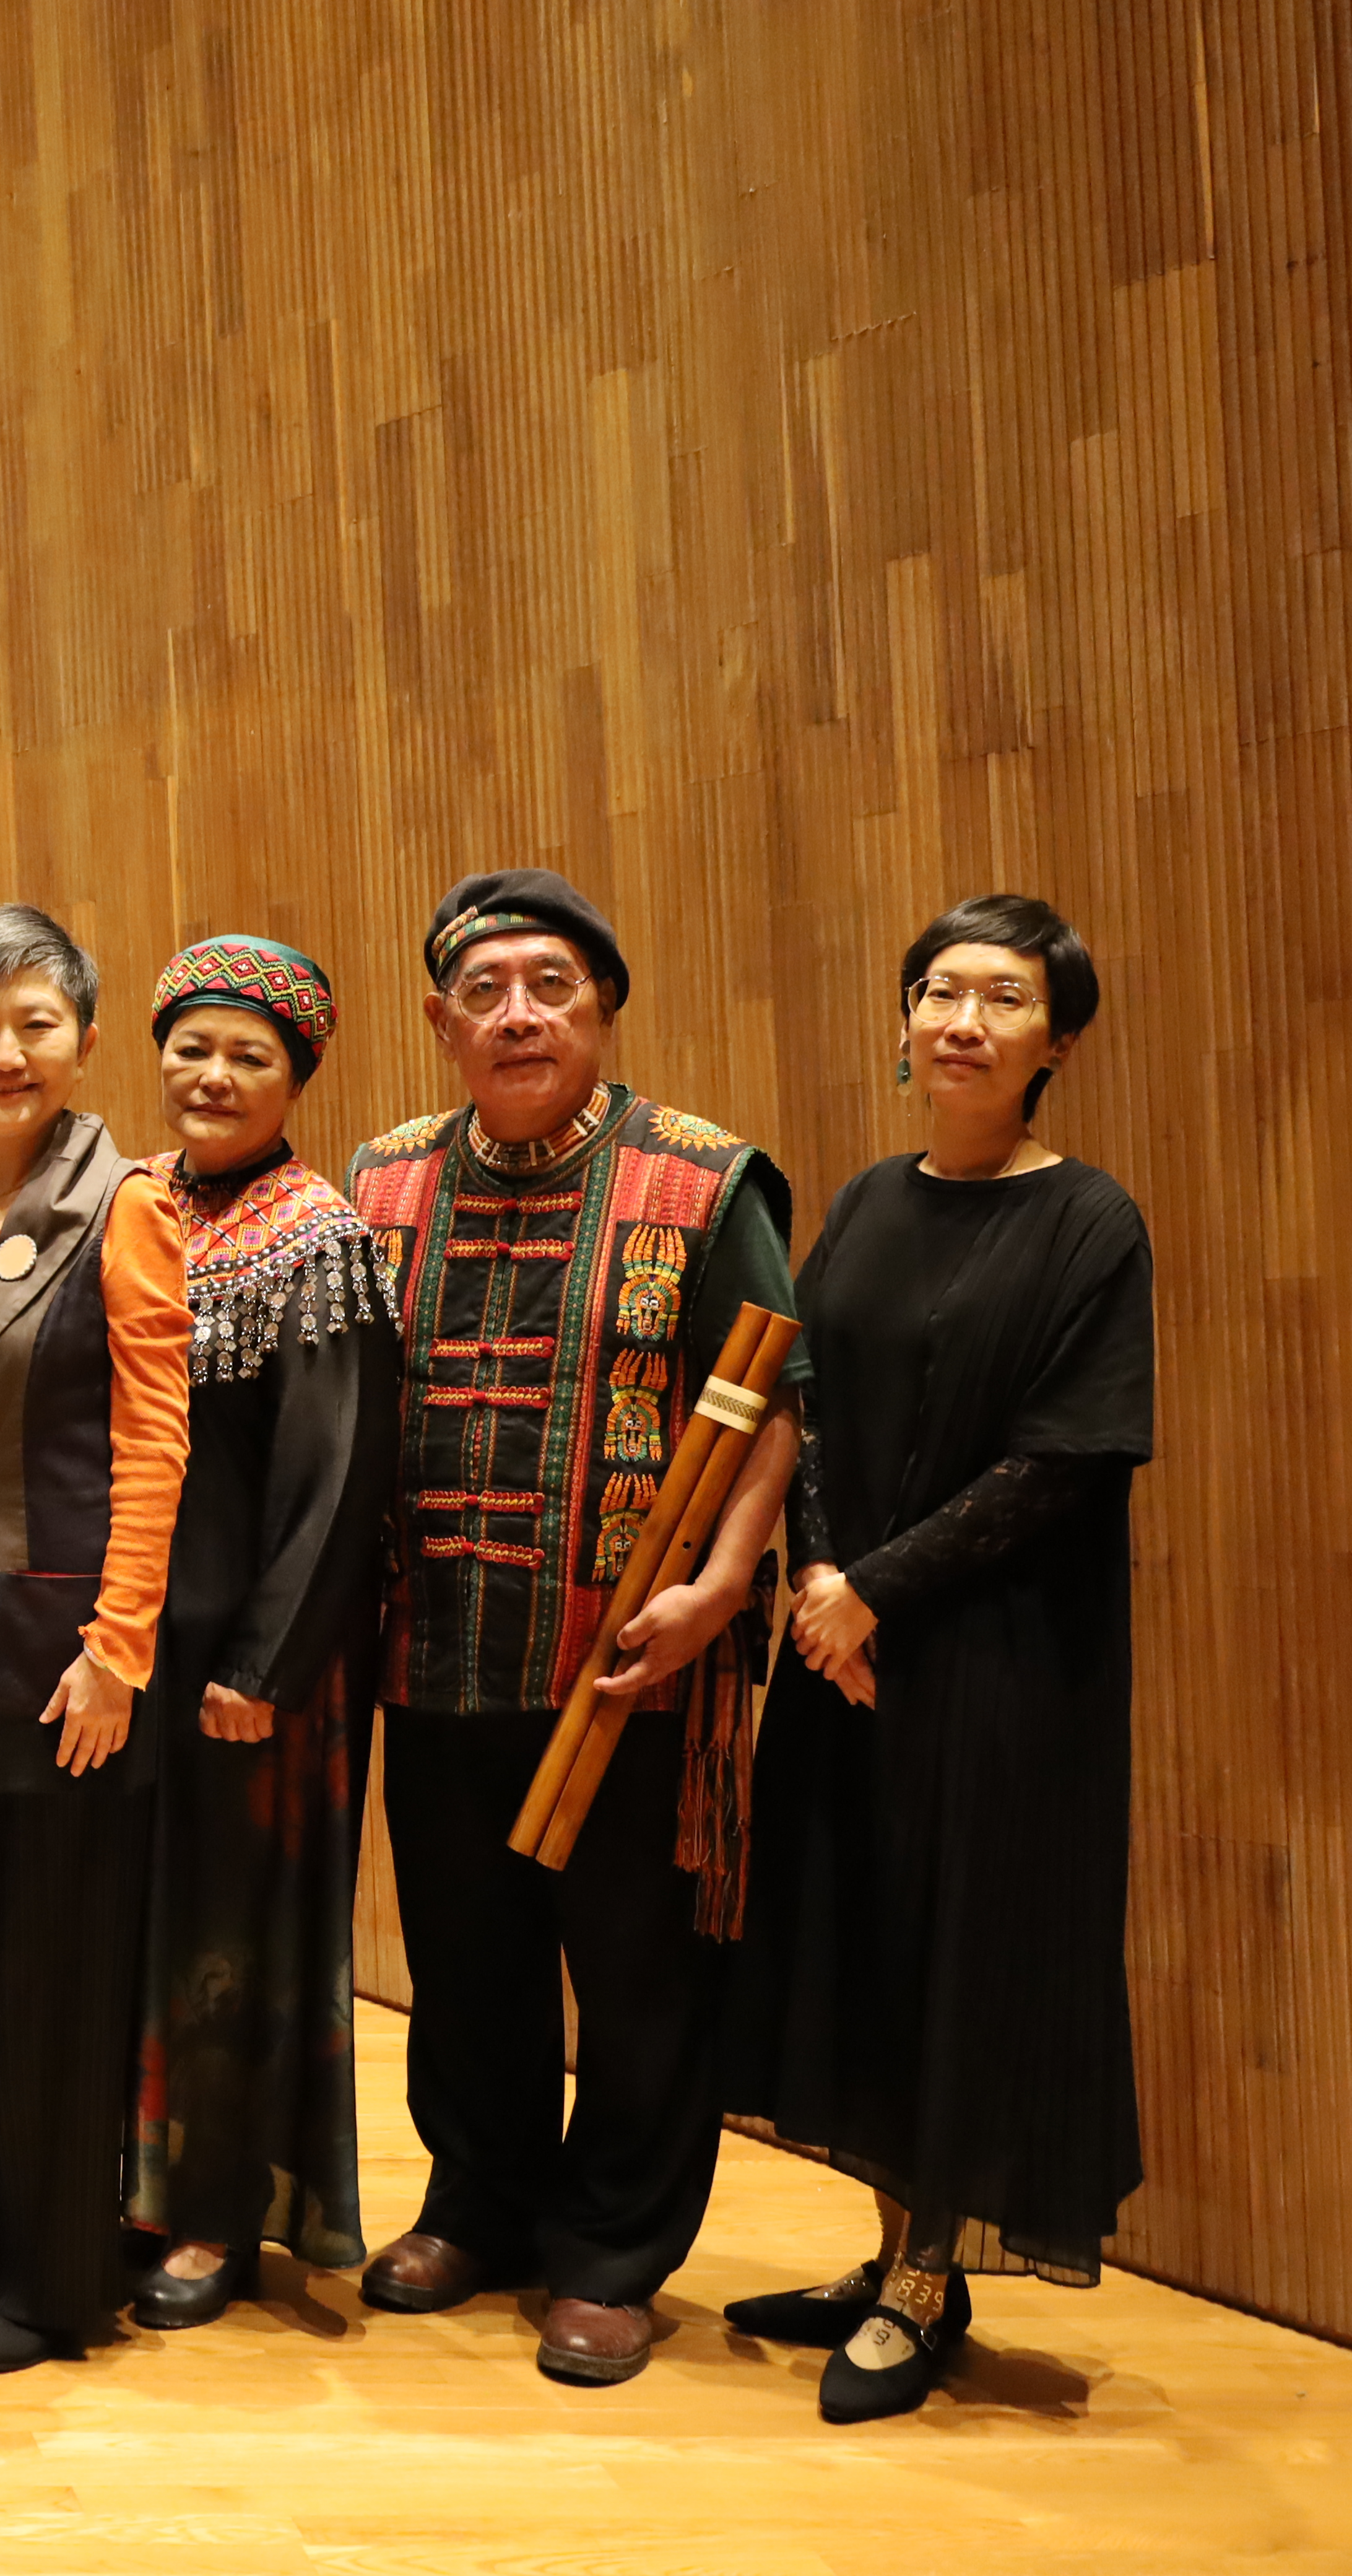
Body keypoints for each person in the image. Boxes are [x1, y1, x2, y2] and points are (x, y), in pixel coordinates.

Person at [344, 867, 802, 2388]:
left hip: (634, 1663)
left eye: (552, 985)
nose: (519, 1014)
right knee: (465, 1955)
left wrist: (721, 1585)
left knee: (634, 1973)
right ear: (439, 1019)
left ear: (603, 1009)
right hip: (438, 1645)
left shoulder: (704, 1179)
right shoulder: (385, 1177)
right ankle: (480, 2203)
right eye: (485, 990)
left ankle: (612, 2249)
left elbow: (777, 1406)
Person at [721, 895, 1152, 2424]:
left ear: (1059, 1040)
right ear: (904, 1022)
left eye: (1004, 998)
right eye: (940, 992)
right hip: (850, 1650)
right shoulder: (868, 1199)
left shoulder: (1091, 1222)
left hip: (1002, 1665)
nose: (964, 1021)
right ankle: (890, 2250)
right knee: (865, 1934)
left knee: (973, 1944)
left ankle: (926, 2278)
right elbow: (816, 1407)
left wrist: (876, 1593)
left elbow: (1066, 1461)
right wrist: (825, 1578)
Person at [0, 905, 194, 2372]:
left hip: (62, 1639)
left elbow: (157, 1438)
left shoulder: (122, 1203)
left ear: (81, 1037)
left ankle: (56, 2276)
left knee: (56, 1967)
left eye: (35, 1022)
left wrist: (119, 1644)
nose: (5, 1053)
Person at [122, 938, 404, 2327]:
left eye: (250, 1055)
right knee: (131, 1920)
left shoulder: (320, 1237)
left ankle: (218, 2217)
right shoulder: (128, 1206)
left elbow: (340, 1475)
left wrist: (264, 1665)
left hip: (246, 1662)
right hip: (128, 1645)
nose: (214, 1075)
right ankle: (125, 2184)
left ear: (296, 1077)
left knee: (228, 1937)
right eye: (194, 1046)